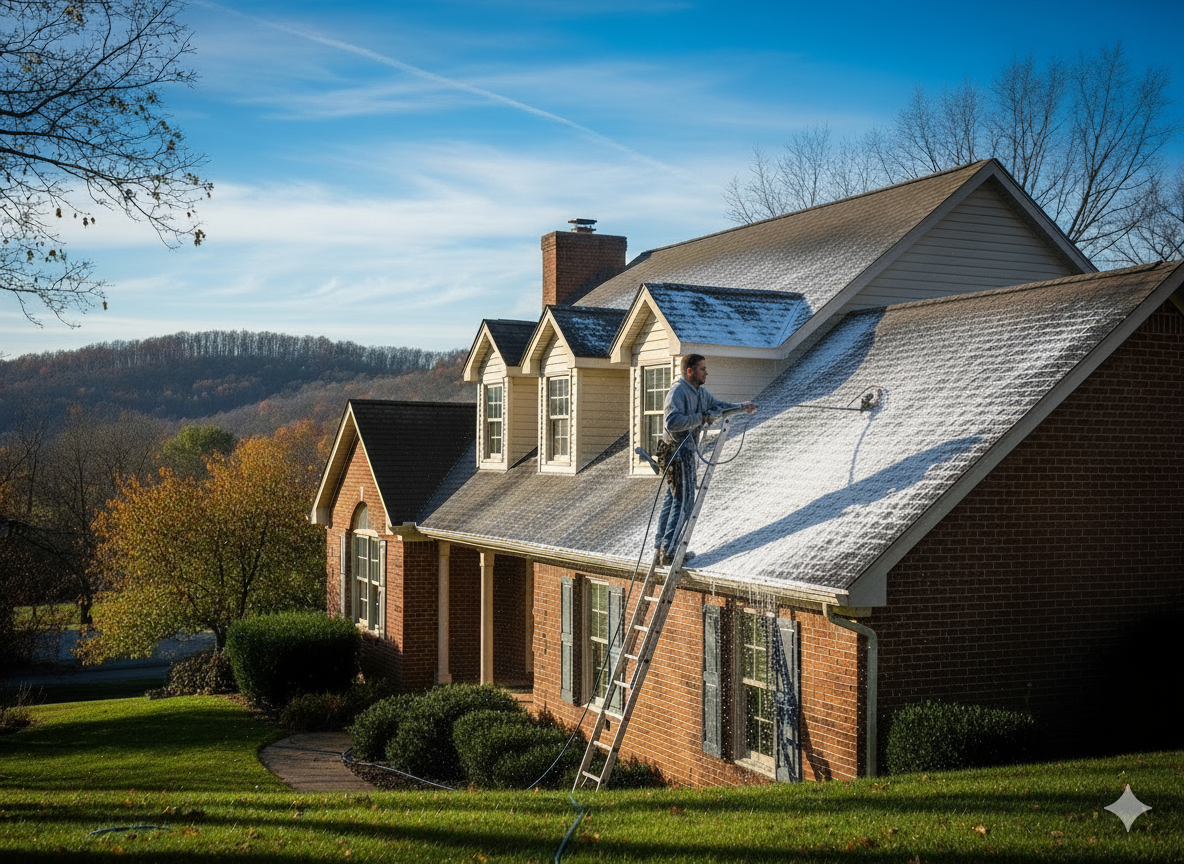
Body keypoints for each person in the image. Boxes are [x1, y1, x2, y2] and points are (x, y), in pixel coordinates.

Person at [655, 354, 757, 565]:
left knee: (674, 499)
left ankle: (662, 547)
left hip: (685, 452)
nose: (706, 372)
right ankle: (670, 551)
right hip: (676, 453)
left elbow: (718, 406)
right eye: (702, 369)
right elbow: (672, 422)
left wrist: (741, 406)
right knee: (684, 502)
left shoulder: (699, 393)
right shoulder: (678, 391)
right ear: (690, 371)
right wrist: (700, 418)